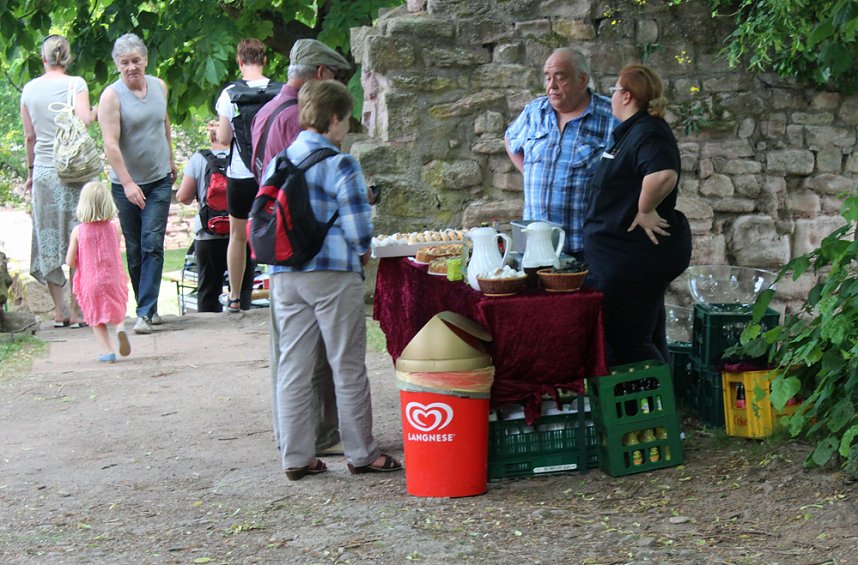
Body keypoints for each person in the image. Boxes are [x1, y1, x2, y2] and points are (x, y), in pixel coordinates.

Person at [264, 79, 401, 480]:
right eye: (346, 118)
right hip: (332, 273)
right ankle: (362, 452)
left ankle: (296, 456)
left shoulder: (280, 162)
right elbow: (359, 231)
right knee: (347, 363)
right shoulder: (342, 163)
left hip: (285, 274)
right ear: (335, 118)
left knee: (293, 366)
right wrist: (361, 252)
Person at [251, 38, 351, 460]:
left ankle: (293, 437)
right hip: (305, 250)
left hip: (280, 246)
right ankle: (315, 435)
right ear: (322, 76)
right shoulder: (296, 118)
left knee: (288, 353)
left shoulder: (266, 110)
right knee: (311, 357)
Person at [583, 64, 692, 366]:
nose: (612, 97)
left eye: (615, 91)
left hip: (631, 261)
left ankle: (649, 410)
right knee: (646, 335)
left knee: (627, 342)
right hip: (622, 260)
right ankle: (658, 407)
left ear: (627, 96)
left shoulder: (648, 131)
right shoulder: (634, 132)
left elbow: (662, 175)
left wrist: (645, 209)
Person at [505, 47, 617, 259]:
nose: (551, 86)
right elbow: (510, 139)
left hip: (584, 246)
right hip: (534, 243)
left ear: (582, 79)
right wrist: (527, 171)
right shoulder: (534, 111)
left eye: (560, 78)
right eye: (547, 78)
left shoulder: (610, 116)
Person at [98, 33, 176, 335]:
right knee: (134, 248)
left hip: (158, 180)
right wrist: (129, 183)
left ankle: (144, 312)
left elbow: (164, 123)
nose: (132, 67)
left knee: (152, 242)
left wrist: (170, 159)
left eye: (136, 61)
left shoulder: (159, 86)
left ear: (145, 60)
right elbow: (111, 145)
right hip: (125, 183)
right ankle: (150, 307)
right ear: (117, 65)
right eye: (125, 63)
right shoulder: (111, 97)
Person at [20, 34, 97, 329]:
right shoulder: (76, 84)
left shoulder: (29, 89)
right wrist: (93, 111)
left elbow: (30, 137)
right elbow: (84, 120)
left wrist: (30, 172)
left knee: (49, 238)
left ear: (43, 58)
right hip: (75, 172)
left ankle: (59, 310)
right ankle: (79, 310)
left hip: (44, 171)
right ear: (67, 58)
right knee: (79, 236)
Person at [215, 39, 274, 314]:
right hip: (272, 172)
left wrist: (214, 133)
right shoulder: (280, 90)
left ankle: (236, 298)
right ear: (264, 59)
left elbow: (225, 139)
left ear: (240, 61)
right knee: (277, 228)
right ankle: (280, 291)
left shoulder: (230, 94)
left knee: (237, 236)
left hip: (240, 173)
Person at [176, 121, 255, 312]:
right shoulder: (245, 158)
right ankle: (240, 323)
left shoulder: (199, 159)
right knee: (243, 288)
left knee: (208, 289)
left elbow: (183, 196)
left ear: (211, 137)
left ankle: (209, 333)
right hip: (241, 232)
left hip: (208, 234)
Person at [251, 38, 351, 179]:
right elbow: (321, 177)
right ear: (321, 71)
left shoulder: (265, 111)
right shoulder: (305, 118)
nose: (335, 82)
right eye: (335, 75)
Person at [65, 181, 131, 363]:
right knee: (117, 308)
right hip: (114, 278)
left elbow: (70, 261)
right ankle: (120, 328)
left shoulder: (78, 231)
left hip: (90, 281)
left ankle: (108, 350)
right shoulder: (115, 228)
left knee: (96, 318)